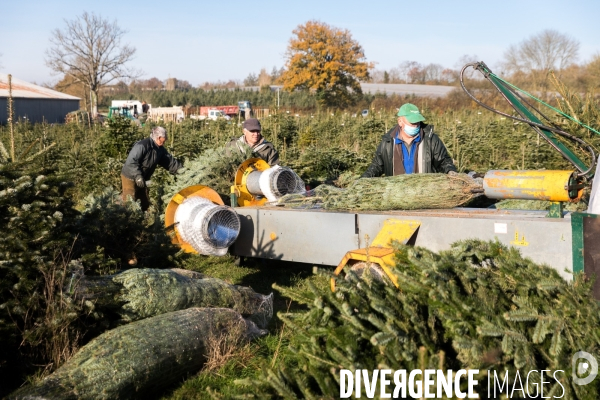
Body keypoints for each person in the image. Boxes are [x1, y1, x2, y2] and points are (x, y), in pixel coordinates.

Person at [361, 103, 457, 178]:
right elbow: (377, 165)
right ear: (400, 122)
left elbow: (443, 161)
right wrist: (363, 180)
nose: (416, 125)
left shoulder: (430, 140)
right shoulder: (388, 142)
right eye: (412, 123)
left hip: (424, 195)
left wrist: (450, 170)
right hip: (397, 195)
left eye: (417, 122)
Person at [121, 126, 183, 211]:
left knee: (144, 202)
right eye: (164, 139)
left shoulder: (160, 149)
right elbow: (131, 162)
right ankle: (126, 220)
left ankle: (143, 220)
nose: (165, 141)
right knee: (130, 201)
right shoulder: (142, 145)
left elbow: (170, 162)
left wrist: (183, 171)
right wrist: (138, 176)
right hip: (130, 176)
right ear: (159, 138)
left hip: (143, 178)